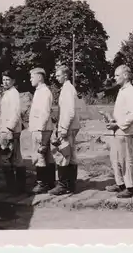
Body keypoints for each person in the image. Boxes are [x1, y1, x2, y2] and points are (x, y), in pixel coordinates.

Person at [104, 65, 133, 198]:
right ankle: (121, 184)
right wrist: (111, 119)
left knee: (125, 159)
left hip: (124, 131)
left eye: (117, 75)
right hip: (117, 130)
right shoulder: (122, 90)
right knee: (116, 158)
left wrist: (118, 125)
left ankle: (131, 188)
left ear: (125, 75)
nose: (115, 78)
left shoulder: (131, 91)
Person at [48, 65, 81, 195]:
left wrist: (64, 128)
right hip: (71, 126)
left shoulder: (68, 90)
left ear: (65, 75)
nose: (56, 78)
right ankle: (71, 185)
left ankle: (62, 185)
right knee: (71, 156)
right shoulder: (67, 89)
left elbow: (70, 112)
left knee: (63, 154)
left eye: (58, 75)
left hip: (68, 127)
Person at [0, 70, 26, 194]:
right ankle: (18, 187)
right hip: (9, 130)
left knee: (4, 158)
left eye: (8, 79)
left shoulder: (13, 94)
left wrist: (9, 129)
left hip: (10, 131)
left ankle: (13, 187)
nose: (5, 82)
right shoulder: (7, 93)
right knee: (15, 158)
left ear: (13, 81)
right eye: (3, 80)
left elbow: (16, 113)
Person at [28, 67, 56, 194]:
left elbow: (44, 113)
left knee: (40, 155)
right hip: (40, 128)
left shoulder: (44, 92)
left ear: (39, 77)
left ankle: (42, 183)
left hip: (41, 129)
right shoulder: (39, 91)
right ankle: (50, 182)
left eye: (32, 77)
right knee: (46, 155)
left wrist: (40, 130)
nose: (30, 80)